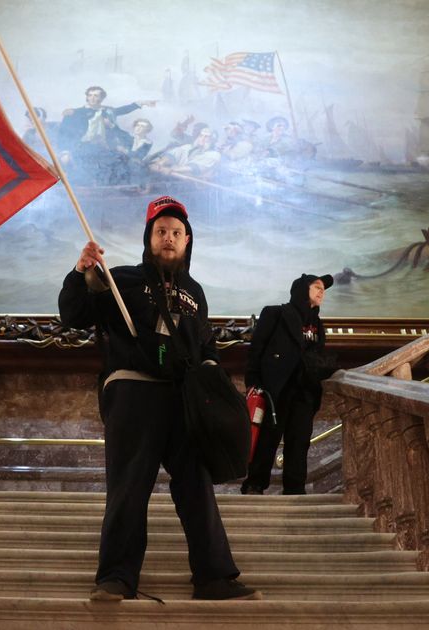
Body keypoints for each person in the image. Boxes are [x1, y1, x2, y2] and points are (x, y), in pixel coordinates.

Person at [59, 196, 261, 602]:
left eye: (176, 232)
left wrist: (211, 375)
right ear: (149, 238)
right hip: (134, 390)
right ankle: (116, 577)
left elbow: (207, 345)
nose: (168, 238)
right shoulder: (121, 280)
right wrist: (81, 272)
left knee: (196, 487)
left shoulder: (195, 292)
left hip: (183, 399)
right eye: (160, 231)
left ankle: (214, 577)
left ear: (187, 241)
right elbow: (75, 314)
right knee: (129, 486)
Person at [241, 274, 334, 495]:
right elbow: (256, 351)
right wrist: (253, 383)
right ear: (302, 289)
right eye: (317, 287)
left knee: (300, 442)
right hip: (276, 390)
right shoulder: (275, 313)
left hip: (304, 392)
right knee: (267, 439)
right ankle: (255, 484)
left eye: (323, 289)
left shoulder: (317, 325)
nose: (322, 292)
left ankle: (295, 490)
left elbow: (317, 356)